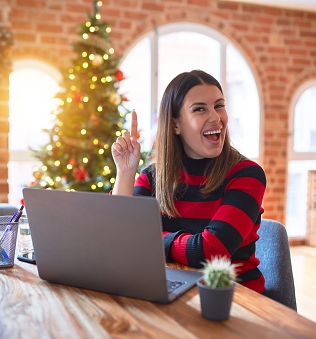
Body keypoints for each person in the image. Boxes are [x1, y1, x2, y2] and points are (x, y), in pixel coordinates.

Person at [111, 70, 266, 293]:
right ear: (175, 125)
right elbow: (120, 237)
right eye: (200, 109)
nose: (215, 117)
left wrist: (148, 240)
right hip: (168, 287)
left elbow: (210, 251)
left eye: (219, 105)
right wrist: (125, 173)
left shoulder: (247, 175)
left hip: (235, 297)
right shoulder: (153, 177)